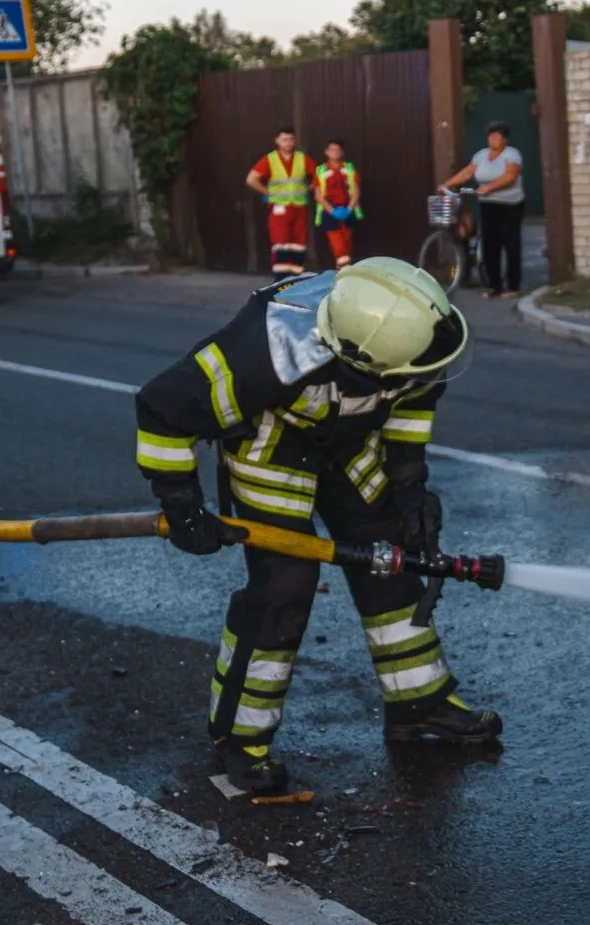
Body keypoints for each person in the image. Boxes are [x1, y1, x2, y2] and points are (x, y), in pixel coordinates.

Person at [133, 258, 502, 793]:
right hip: (272, 447)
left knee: (392, 557)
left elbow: (412, 399)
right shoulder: (258, 352)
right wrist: (183, 508)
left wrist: (409, 483)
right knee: (283, 588)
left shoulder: (409, 329)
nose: (428, 372)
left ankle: (418, 703)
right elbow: (161, 411)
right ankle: (240, 740)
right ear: (362, 363)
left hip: (350, 442)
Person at [441, 122, 523, 297]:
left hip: (510, 206)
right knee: (490, 246)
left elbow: (511, 176)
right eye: (490, 135)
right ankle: (494, 286)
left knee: (511, 245)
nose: (492, 139)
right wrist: (447, 184)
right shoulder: (481, 155)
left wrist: (489, 187)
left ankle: (513, 286)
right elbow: (468, 173)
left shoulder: (512, 154)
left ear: (505, 139)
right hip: (488, 206)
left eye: (497, 136)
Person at [246, 128, 313, 274]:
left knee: (299, 243)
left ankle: (297, 276)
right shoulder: (270, 159)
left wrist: (310, 188)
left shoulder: (302, 158)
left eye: (290, 139)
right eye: (284, 139)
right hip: (279, 207)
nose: (288, 143)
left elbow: (318, 176)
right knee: (280, 242)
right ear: (277, 141)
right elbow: (251, 179)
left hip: (299, 206)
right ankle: (281, 279)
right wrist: (268, 193)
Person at [313, 139, 361, 270]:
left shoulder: (349, 168)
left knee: (346, 245)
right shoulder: (320, 170)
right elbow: (318, 195)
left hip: (348, 210)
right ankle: (345, 273)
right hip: (330, 212)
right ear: (326, 152)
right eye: (332, 150)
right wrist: (332, 211)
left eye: (338, 150)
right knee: (338, 246)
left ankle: (339, 274)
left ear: (342, 152)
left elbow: (356, 190)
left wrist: (349, 209)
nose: (335, 152)